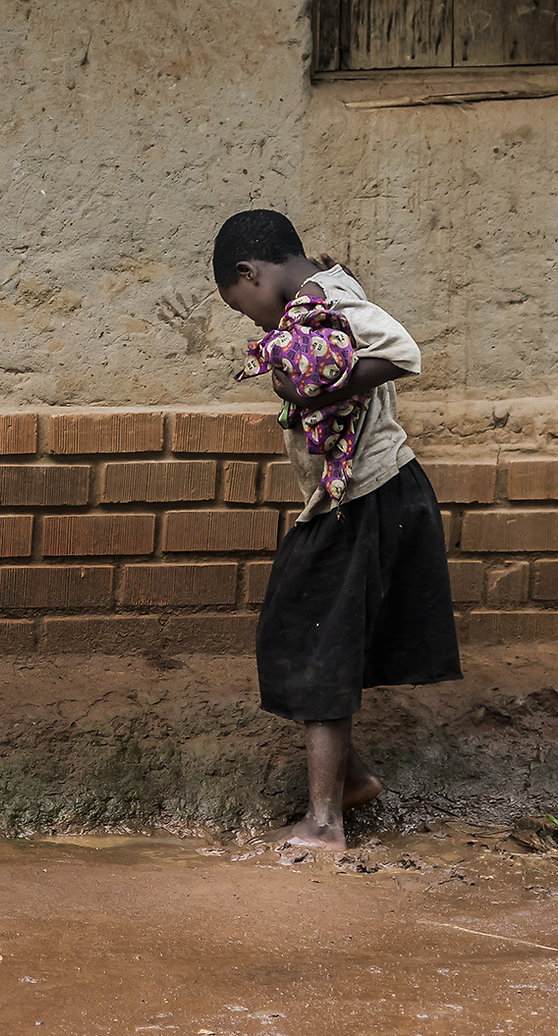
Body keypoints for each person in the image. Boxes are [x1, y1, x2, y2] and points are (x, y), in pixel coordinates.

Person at [169, 209, 462, 849]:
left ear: (250, 272)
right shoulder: (316, 301)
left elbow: (401, 350)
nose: (258, 323)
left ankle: (325, 822)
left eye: (246, 308)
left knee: (315, 641)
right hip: (359, 497)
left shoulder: (327, 299)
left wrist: (311, 395)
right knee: (303, 633)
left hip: (367, 496)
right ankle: (350, 780)